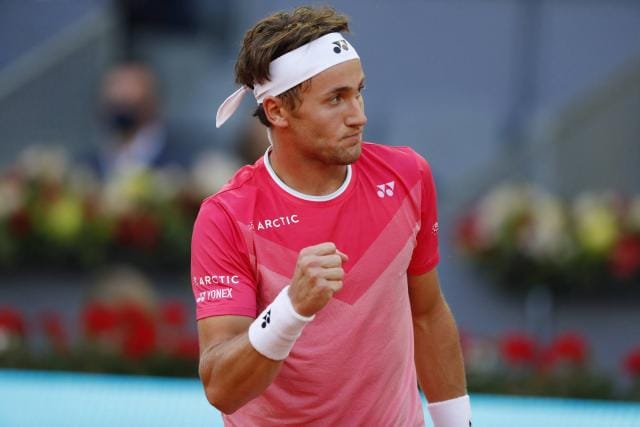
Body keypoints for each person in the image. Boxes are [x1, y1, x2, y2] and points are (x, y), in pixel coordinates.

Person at [191, 6, 470, 426]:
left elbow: (427, 314)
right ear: (277, 111)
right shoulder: (226, 216)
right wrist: (291, 309)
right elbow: (221, 388)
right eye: (335, 99)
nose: (359, 116)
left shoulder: (407, 176)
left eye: (359, 92)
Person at [84, 62, 191, 180]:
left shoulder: (185, 163)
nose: (121, 95)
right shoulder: (86, 168)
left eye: (131, 86)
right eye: (115, 85)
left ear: (154, 99)